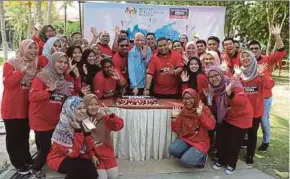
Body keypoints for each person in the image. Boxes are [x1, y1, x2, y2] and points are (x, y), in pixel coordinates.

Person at [29, 52, 71, 179]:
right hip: (40, 118)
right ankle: (35, 168)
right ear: (53, 62)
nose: (63, 65)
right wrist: (49, 91)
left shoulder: (63, 80)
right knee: (45, 146)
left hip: (54, 119)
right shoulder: (42, 76)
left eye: (65, 63)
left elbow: (65, 98)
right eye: (60, 62)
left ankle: (42, 161)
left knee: (45, 145)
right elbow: (32, 96)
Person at [206, 66, 253, 175]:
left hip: (241, 117)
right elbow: (215, 105)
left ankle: (231, 164)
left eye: (216, 75)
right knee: (222, 140)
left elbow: (242, 102)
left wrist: (230, 94)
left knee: (234, 143)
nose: (214, 78)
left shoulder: (233, 83)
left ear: (221, 74)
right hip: (227, 116)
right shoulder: (214, 88)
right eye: (210, 77)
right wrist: (209, 99)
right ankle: (221, 160)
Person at [1, 40, 38, 175]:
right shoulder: (11, 63)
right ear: (23, 49)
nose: (33, 50)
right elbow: (8, 83)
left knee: (24, 135)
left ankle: (26, 158)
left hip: (26, 107)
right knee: (13, 137)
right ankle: (17, 163)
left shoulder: (35, 64)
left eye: (35, 48)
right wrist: (20, 72)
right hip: (11, 108)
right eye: (30, 48)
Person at [248, 24, 286, 152]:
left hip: (264, 97)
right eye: (251, 48)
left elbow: (281, 53)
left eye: (256, 48)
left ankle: (266, 141)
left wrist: (277, 36)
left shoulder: (266, 60)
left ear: (260, 49)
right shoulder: (245, 62)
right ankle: (248, 139)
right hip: (250, 97)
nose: (253, 50)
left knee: (263, 120)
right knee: (250, 120)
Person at [47, 96, 99, 179]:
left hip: (77, 155)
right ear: (70, 110)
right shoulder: (63, 128)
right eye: (78, 108)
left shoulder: (85, 121)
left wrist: (87, 133)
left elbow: (89, 148)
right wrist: (78, 131)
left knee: (90, 168)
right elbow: (73, 154)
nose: (83, 111)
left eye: (84, 108)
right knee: (81, 168)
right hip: (58, 159)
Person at [169, 88, 215, 168]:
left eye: (190, 98)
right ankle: (190, 154)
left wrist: (200, 115)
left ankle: (202, 158)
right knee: (172, 150)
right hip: (187, 140)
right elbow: (175, 130)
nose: (187, 101)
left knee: (185, 162)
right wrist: (174, 118)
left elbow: (211, 126)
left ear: (195, 98)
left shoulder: (204, 109)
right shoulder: (183, 111)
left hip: (200, 143)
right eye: (185, 98)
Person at [83, 94, 124, 179]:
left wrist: (111, 115)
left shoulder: (104, 117)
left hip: (106, 152)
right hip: (93, 153)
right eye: (90, 104)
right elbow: (84, 142)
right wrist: (91, 155)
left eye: (96, 104)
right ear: (85, 106)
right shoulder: (83, 120)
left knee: (113, 176)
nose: (94, 107)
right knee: (102, 177)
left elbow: (119, 126)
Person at [238, 50, 266, 166]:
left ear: (252, 57)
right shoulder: (239, 73)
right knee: (239, 134)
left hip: (255, 111)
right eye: (242, 57)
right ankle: (235, 153)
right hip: (242, 111)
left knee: (252, 135)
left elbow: (269, 85)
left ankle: (250, 155)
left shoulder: (260, 71)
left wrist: (262, 76)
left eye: (247, 56)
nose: (245, 58)